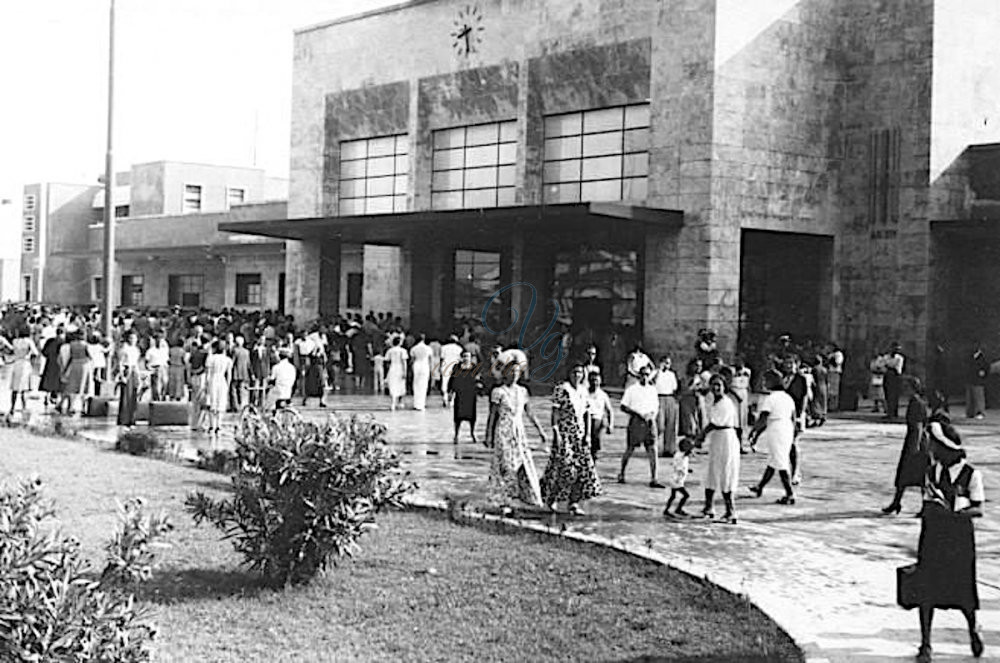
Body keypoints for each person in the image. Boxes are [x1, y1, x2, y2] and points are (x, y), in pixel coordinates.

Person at [911, 421, 985, 662]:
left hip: (959, 539)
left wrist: (955, 512)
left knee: (962, 589)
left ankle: (973, 628)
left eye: (933, 443)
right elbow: (926, 500)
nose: (930, 448)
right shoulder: (931, 472)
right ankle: (925, 644)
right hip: (933, 536)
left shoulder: (971, 474)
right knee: (926, 589)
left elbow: (978, 509)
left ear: (944, 447)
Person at [485, 361, 546, 516]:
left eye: (518, 372)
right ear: (506, 373)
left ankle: (526, 497)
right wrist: (488, 435)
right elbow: (492, 415)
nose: (515, 375)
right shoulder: (498, 392)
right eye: (512, 371)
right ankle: (505, 500)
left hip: (519, 432)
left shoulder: (523, 391)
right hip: (504, 431)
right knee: (506, 466)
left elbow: (529, 412)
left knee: (523, 464)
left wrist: (540, 430)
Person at [541, 363, 602, 515]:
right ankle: (551, 499)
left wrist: (587, 435)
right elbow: (555, 412)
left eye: (580, 372)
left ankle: (573, 502)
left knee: (583, 470)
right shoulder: (562, 389)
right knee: (565, 468)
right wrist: (556, 432)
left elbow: (587, 413)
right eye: (574, 372)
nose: (577, 375)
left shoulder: (583, 391)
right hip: (565, 434)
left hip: (580, 436)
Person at [748, 369, 797, 504]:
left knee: (780, 462)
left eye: (766, 380)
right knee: (774, 460)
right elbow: (793, 417)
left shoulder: (771, 398)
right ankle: (760, 487)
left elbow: (763, 418)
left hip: (776, 429)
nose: (764, 383)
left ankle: (790, 493)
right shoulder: (788, 397)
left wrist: (754, 432)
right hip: (786, 427)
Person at [883, 377, 929, 515]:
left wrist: (915, 446)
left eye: (906, 386)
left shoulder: (917, 403)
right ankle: (896, 502)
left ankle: (925, 506)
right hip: (913, 438)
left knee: (920, 475)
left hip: (917, 441)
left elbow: (919, 425)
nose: (904, 389)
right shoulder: (914, 401)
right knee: (903, 474)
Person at [699, 374, 741, 523]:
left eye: (719, 385)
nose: (716, 388)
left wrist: (701, 436)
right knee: (712, 470)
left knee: (726, 472)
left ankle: (731, 511)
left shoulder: (726, 403)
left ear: (724, 387)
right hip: (717, 438)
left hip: (726, 438)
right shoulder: (714, 401)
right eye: (713, 385)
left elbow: (714, 423)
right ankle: (709, 507)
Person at [618, 364, 664, 488]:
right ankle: (622, 473)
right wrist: (637, 414)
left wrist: (651, 415)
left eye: (647, 374)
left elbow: (656, 406)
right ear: (639, 376)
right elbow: (623, 406)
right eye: (642, 374)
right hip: (636, 421)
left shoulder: (653, 390)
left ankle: (654, 478)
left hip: (649, 422)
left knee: (652, 449)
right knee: (630, 448)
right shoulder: (632, 389)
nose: (645, 377)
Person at [448, 349, 481, 456]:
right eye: (465, 356)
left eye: (468, 356)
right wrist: (450, 392)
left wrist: (480, 388)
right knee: (457, 416)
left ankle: (472, 433)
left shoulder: (474, 368)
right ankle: (456, 435)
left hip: (470, 394)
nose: (466, 358)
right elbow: (452, 380)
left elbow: (478, 380)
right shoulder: (456, 367)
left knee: (472, 416)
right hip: (460, 394)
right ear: (461, 357)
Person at [203, 340, 233, 438]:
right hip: (222, 380)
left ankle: (212, 425)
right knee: (221, 403)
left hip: (213, 379)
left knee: (212, 403)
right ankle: (219, 425)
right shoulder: (227, 359)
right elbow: (229, 374)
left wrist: (206, 384)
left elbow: (208, 373)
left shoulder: (211, 358)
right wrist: (228, 385)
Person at [653, 355, 679, 457]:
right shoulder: (655, 373)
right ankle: (654, 446)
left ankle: (669, 449)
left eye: (668, 363)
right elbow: (651, 382)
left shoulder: (671, 374)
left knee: (670, 424)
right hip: (658, 397)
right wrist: (659, 371)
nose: (666, 365)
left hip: (670, 398)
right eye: (664, 363)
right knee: (660, 424)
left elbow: (674, 387)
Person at [585, 370, 613, 463]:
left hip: (597, 421)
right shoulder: (584, 393)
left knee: (595, 445)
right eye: (592, 380)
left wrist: (611, 425)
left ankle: (593, 464)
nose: (595, 383)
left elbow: (609, 411)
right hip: (585, 421)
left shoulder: (603, 395)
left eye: (596, 380)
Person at [8, 329, 38, 416]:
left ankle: (12, 407)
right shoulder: (28, 341)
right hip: (25, 363)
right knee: (24, 388)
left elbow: (12, 351)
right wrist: (29, 355)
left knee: (14, 387)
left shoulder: (15, 341)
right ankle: (24, 407)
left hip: (16, 363)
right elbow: (35, 352)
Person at [663, 437, 695, 518]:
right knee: (686, 495)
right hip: (677, 480)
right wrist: (682, 471)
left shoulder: (682, 456)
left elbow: (683, 465)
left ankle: (667, 510)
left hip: (677, 479)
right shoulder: (680, 456)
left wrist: (687, 470)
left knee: (673, 496)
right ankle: (678, 509)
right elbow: (677, 465)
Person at [116, 332, 141, 428]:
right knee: (126, 396)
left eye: (135, 338)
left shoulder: (136, 350)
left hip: (134, 371)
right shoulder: (124, 350)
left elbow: (136, 363)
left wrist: (139, 376)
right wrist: (122, 376)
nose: (133, 340)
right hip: (127, 371)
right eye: (131, 338)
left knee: (133, 396)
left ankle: (132, 419)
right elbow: (120, 363)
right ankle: (124, 419)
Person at [410, 333, 433, 411]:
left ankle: (416, 404)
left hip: (417, 365)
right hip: (425, 365)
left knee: (416, 384)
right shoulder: (428, 348)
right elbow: (430, 360)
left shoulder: (414, 348)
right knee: (423, 385)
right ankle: (422, 404)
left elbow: (412, 360)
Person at [439, 334, 464, 407]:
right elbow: (460, 359)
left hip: (445, 366)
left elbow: (442, 358)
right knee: (454, 383)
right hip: (455, 367)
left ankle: (445, 397)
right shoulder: (459, 348)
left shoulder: (443, 348)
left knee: (445, 382)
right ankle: (452, 400)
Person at [385, 336, 408, 412]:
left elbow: (387, 361)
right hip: (400, 368)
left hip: (392, 368)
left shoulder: (390, 351)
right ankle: (400, 402)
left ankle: (393, 402)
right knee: (400, 385)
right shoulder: (403, 351)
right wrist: (405, 371)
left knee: (393, 385)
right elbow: (404, 362)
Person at [966, 344, 988, 420]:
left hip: (978, 380)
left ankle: (980, 412)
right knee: (970, 397)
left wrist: (983, 372)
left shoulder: (982, 357)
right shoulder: (971, 356)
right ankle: (970, 413)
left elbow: (986, 367)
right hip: (971, 379)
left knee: (978, 397)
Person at [230, 335, 251, 411]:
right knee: (241, 390)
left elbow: (232, 361)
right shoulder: (246, 351)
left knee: (234, 390)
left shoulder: (235, 351)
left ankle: (235, 406)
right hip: (244, 373)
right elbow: (248, 363)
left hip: (236, 372)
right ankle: (242, 405)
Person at [884, 342, 905, 419]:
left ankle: (894, 412)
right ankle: (889, 412)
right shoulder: (886, 357)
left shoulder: (899, 358)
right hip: (888, 376)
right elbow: (885, 364)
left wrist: (889, 365)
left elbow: (897, 368)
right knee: (888, 395)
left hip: (895, 376)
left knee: (895, 395)